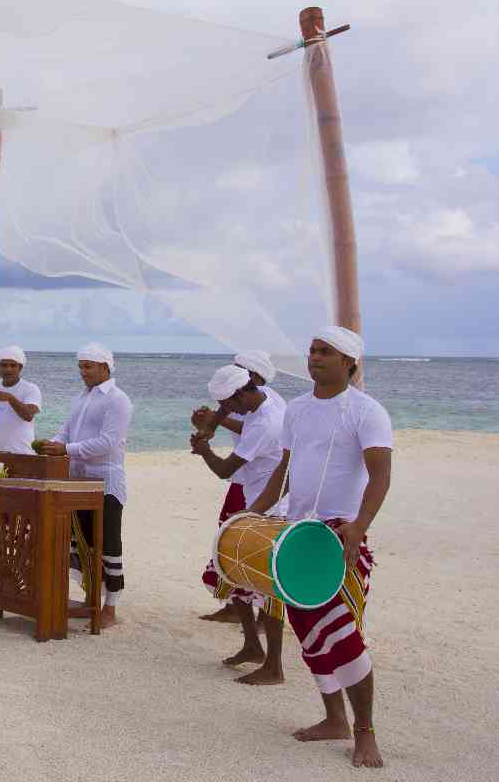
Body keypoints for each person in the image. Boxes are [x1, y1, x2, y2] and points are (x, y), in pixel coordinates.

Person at [245, 327, 392, 769]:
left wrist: (359, 526)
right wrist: (251, 514)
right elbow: (285, 472)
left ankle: (365, 731)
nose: (315, 357)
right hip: (297, 533)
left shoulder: (367, 411)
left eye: (325, 352)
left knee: (343, 637)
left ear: (349, 362)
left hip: (338, 537)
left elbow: (381, 475)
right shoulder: (297, 409)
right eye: (312, 350)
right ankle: (334, 718)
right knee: (310, 633)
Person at [190, 364, 287, 684]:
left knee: (270, 588)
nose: (225, 410)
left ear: (241, 394)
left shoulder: (266, 424)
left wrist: (204, 450)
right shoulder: (264, 397)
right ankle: (252, 646)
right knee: (234, 571)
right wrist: (212, 424)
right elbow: (234, 420)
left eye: (227, 404)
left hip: (273, 508)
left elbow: (224, 470)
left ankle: (274, 666)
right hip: (253, 499)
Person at [38, 344, 132, 628]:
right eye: (80, 366)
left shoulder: (118, 400)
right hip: (78, 481)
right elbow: (66, 431)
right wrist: (51, 445)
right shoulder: (81, 398)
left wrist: (66, 449)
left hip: (106, 483)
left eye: (88, 367)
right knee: (83, 544)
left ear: (105, 367)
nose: (83, 372)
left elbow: (108, 443)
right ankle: (90, 600)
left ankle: (110, 609)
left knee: (108, 544)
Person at [0, 345, 41, 453]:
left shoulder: (31, 388)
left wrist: (10, 398)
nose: (8, 369)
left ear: (20, 368)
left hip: (22, 452)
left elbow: (28, 416)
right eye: (4, 365)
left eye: (13, 365)